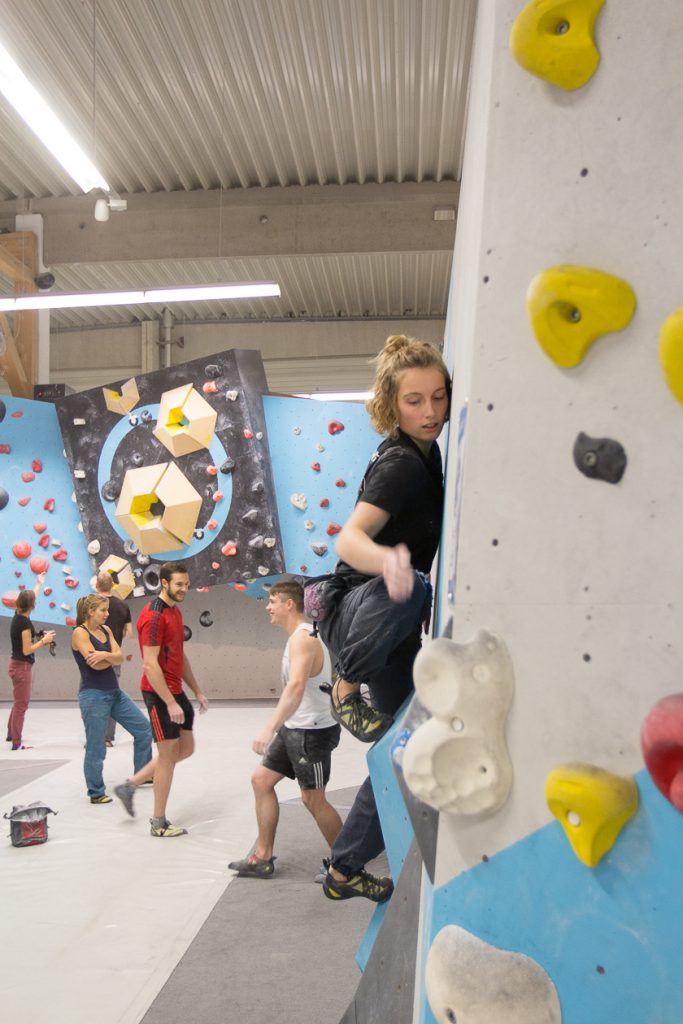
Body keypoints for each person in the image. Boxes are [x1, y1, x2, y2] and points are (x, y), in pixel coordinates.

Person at [317, 334, 450, 903]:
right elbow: (348, 540)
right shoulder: (401, 464)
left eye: (439, 398)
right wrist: (391, 562)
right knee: (411, 585)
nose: (431, 413)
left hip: (388, 625)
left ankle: (343, 870)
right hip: (355, 609)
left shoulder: (432, 454)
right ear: (393, 406)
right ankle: (343, 685)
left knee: (403, 745)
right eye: (415, 401)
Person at [228, 581, 343, 879]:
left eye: (272, 601)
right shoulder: (296, 637)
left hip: (311, 733)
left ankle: (346, 865)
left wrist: (269, 728)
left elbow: (296, 687)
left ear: (289, 604)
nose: (268, 607)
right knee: (261, 780)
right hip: (296, 728)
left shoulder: (303, 639)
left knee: (312, 799)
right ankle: (263, 857)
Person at [132, 561, 209, 837]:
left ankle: (132, 784)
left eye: (186, 584)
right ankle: (158, 822)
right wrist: (169, 702)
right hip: (158, 694)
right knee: (167, 757)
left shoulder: (174, 612)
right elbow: (150, 665)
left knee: (184, 750)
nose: (184, 589)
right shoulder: (153, 617)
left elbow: (180, 655)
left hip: (176, 691)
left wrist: (196, 690)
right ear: (164, 583)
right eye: (179, 584)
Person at [72, 594, 155, 804]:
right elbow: (95, 665)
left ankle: (142, 774)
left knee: (144, 729)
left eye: (107, 610)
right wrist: (110, 657)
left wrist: (105, 656)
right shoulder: (79, 633)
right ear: (91, 612)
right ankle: (96, 791)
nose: (107, 614)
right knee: (96, 745)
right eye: (103, 610)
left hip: (114, 693)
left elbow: (119, 658)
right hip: (93, 696)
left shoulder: (106, 630)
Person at [7, 575, 54, 751]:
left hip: (15, 665)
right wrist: (44, 640)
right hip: (22, 667)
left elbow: (30, 597)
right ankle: (16, 743)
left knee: (17, 701)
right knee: (21, 704)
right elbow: (27, 650)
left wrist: (38, 584)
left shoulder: (18, 613)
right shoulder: (25, 624)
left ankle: (11, 733)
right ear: (32, 606)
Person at [94, 571, 133, 748]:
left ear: (96, 586)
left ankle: (94, 735)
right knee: (110, 696)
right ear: (112, 586)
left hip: (92, 657)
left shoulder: (91, 605)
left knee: (91, 696)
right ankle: (107, 738)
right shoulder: (123, 606)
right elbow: (128, 632)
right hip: (113, 657)